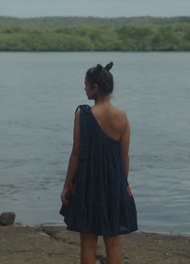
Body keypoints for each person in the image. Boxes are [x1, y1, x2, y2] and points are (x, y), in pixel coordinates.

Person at [60, 62, 138, 264]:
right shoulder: (122, 117)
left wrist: (67, 184)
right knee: (113, 241)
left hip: (88, 183)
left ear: (95, 87)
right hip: (114, 182)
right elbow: (124, 157)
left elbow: (76, 153)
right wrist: (124, 184)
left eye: (86, 85)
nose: (84, 88)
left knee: (87, 241)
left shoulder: (83, 115)